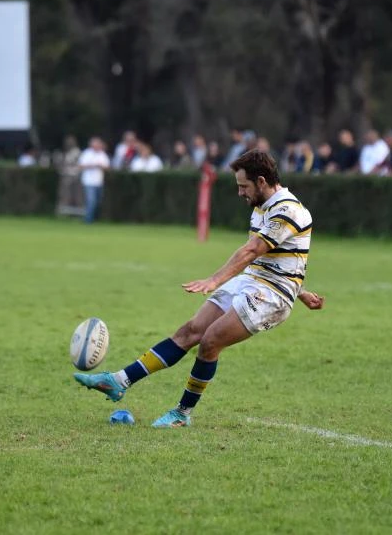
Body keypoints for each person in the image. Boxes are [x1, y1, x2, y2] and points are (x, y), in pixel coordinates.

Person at [74, 150, 325, 427]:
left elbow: (252, 250)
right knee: (190, 331)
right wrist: (301, 291)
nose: (240, 192)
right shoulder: (261, 208)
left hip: (272, 296)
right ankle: (118, 381)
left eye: (244, 186)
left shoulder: (288, 210)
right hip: (253, 281)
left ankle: (182, 414)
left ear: (262, 181)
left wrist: (215, 280)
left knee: (210, 341)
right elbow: (272, 259)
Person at [78, 137, 110, 223]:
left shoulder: (102, 154)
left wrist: (101, 166)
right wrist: (92, 166)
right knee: (91, 201)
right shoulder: (86, 153)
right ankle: (88, 220)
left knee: (97, 202)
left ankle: (95, 217)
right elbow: (80, 166)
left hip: (99, 182)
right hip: (88, 181)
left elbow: (107, 167)